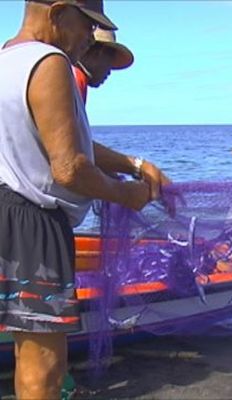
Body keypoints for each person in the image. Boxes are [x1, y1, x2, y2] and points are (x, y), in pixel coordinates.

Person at [0, 1, 171, 398]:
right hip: (35, 223)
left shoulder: (7, 58)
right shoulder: (50, 62)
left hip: (6, 210)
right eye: (87, 25)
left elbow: (54, 137)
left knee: (30, 355)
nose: (88, 37)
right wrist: (127, 194)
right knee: (45, 368)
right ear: (59, 14)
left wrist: (133, 162)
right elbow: (70, 168)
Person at [73, 27, 133, 103]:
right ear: (99, 53)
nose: (109, 72)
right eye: (110, 61)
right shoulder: (75, 80)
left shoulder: (73, 77)